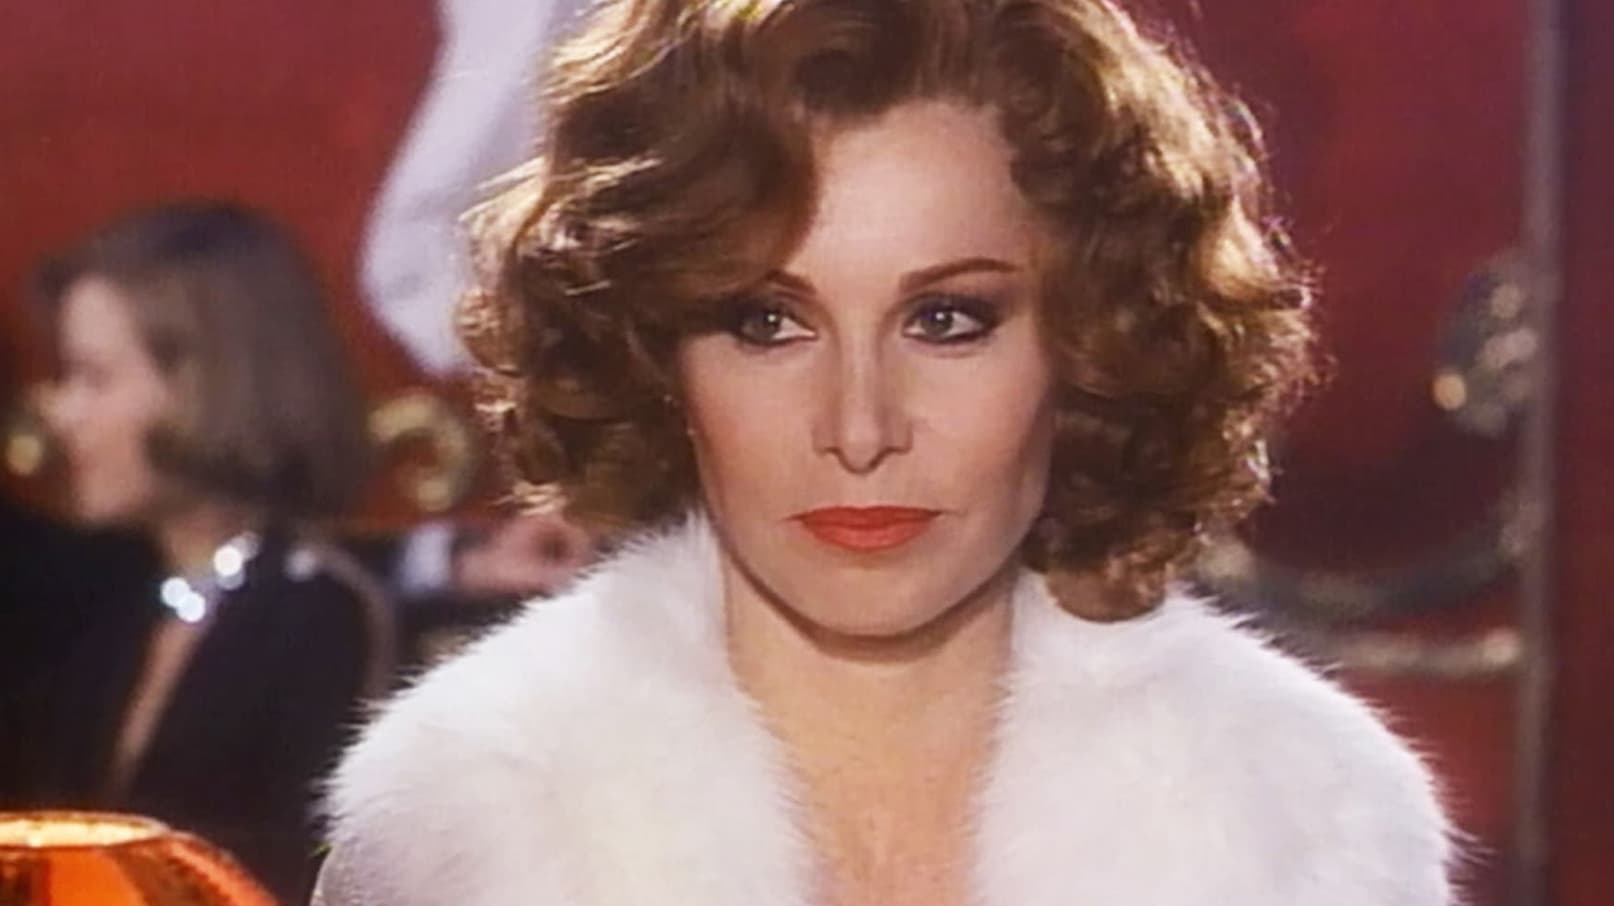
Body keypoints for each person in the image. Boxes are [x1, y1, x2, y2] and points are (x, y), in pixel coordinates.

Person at [319, 1, 1454, 904]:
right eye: (767, 323)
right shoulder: (460, 825)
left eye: (947, 321)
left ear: (1089, 342)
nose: (859, 429)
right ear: (656, 357)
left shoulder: (1309, 828)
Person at [10, 201, 393, 901]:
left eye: (93, 377)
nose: (62, 413)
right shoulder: (114, 604)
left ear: (204, 388)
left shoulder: (317, 618)